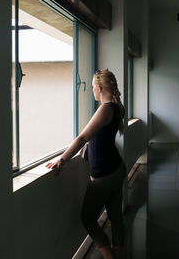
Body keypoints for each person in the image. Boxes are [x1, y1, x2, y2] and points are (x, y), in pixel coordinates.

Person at [46, 68, 127, 259]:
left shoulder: (106, 108)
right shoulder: (117, 107)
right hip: (117, 169)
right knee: (115, 217)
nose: (91, 90)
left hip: (104, 176)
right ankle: (117, 253)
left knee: (87, 218)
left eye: (92, 87)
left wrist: (62, 160)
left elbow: (82, 138)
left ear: (99, 88)